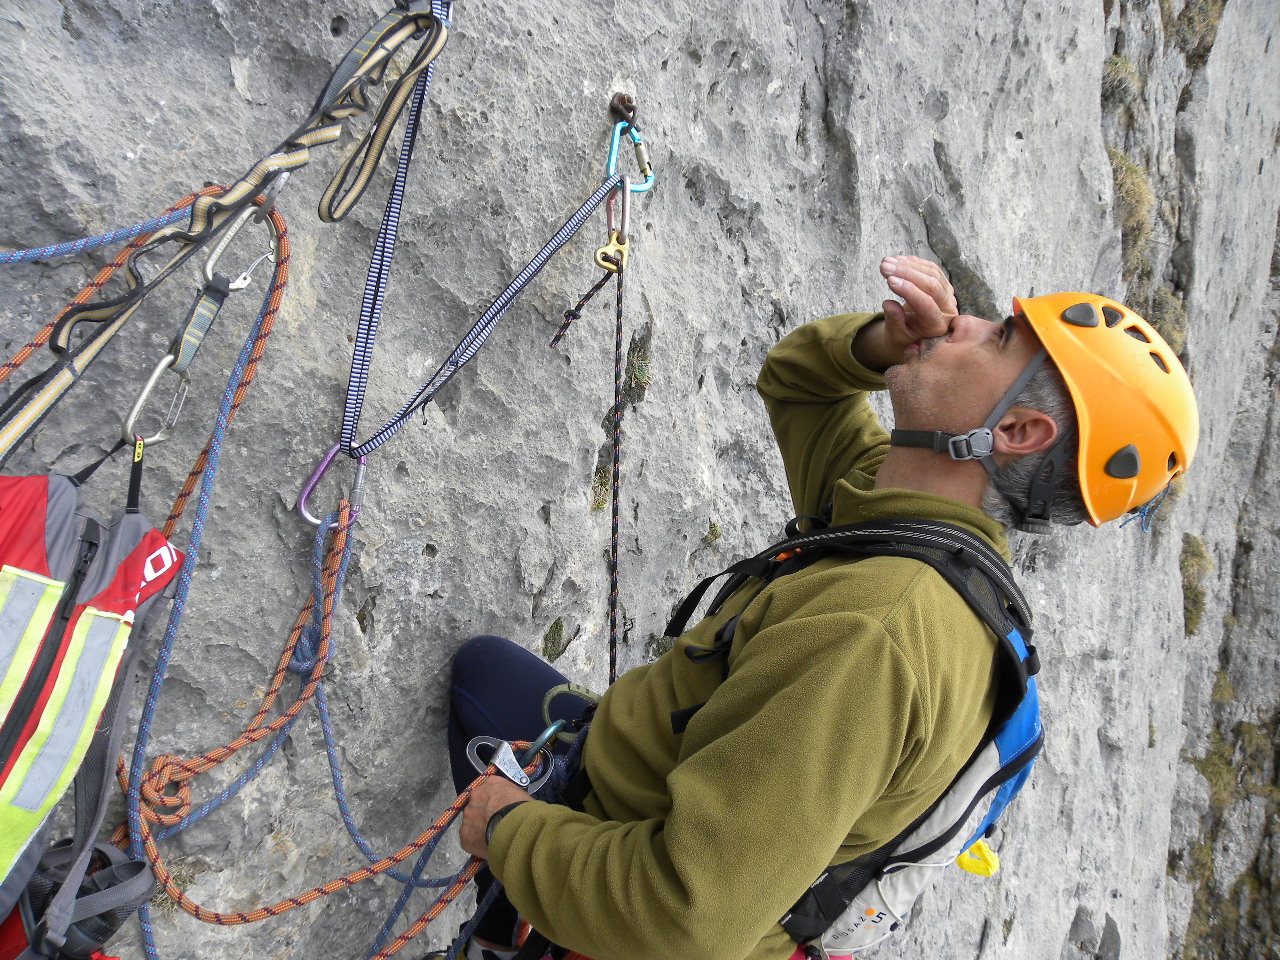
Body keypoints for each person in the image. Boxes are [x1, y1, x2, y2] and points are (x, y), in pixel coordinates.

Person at [443, 256, 1199, 960]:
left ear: (1016, 430)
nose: (962, 320)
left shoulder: (876, 630)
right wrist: (883, 346)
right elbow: (799, 384)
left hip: (633, 883)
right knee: (486, 673)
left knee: (485, 699)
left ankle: (512, 932)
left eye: (997, 337)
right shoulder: (899, 513)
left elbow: (684, 913)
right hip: (634, 788)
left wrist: (506, 829)